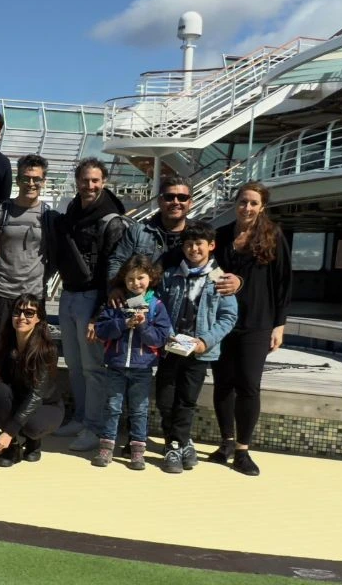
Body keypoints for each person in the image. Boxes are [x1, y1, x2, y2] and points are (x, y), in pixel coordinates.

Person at [210, 181, 292, 476]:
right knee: (222, 383)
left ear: (262, 207)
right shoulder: (221, 235)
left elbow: (283, 281)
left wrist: (279, 324)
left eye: (253, 203)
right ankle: (226, 443)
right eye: (243, 202)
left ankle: (243, 450)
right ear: (236, 203)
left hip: (257, 320)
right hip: (222, 321)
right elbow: (209, 270)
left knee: (248, 384)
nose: (247, 208)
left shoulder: (273, 235)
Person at [52, 158, 131, 453]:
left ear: (104, 182)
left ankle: (95, 427)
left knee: (93, 368)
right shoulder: (73, 211)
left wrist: (99, 315)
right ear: (77, 181)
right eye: (85, 180)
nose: (90, 185)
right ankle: (81, 418)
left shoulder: (111, 220)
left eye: (95, 180)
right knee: (74, 365)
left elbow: (113, 271)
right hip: (70, 294)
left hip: (93, 298)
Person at [155, 221, 238, 474]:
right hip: (172, 347)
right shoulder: (171, 275)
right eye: (189, 244)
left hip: (199, 350)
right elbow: (158, 308)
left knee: (186, 400)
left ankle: (175, 445)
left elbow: (228, 317)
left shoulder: (219, 279)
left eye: (199, 244)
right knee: (165, 399)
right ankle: (182, 442)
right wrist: (164, 335)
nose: (194, 249)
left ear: (211, 246)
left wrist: (206, 341)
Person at [92, 255, 172, 470]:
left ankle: (137, 452)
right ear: (124, 280)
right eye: (130, 279)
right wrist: (124, 323)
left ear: (150, 278)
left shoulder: (156, 305)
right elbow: (101, 330)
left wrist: (144, 326)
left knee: (139, 410)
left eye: (140, 278)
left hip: (142, 367)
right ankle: (106, 448)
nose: (136, 283)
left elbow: (160, 338)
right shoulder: (117, 303)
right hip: (116, 365)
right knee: (112, 407)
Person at [0, 154, 57, 349]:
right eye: (26, 178)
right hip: (1, 294)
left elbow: (55, 258)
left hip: (33, 296)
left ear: (44, 181)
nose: (31, 184)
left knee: (30, 354)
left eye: (36, 179)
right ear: (17, 180)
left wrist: (39, 279)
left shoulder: (50, 217)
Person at [0, 294, 64, 467]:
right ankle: (12, 447)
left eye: (29, 313)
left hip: (46, 405)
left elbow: (36, 395)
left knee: (32, 427)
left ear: (38, 318)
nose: (21, 317)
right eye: (17, 312)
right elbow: (2, 382)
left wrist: (8, 432)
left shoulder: (46, 350)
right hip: (18, 399)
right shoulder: (6, 343)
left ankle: (33, 442)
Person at [107, 175, 194, 291]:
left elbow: (212, 267)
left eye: (182, 197)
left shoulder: (199, 235)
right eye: (169, 197)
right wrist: (116, 288)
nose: (175, 202)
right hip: (143, 299)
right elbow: (117, 262)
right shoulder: (138, 231)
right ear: (160, 201)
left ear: (190, 203)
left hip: (182, 299)